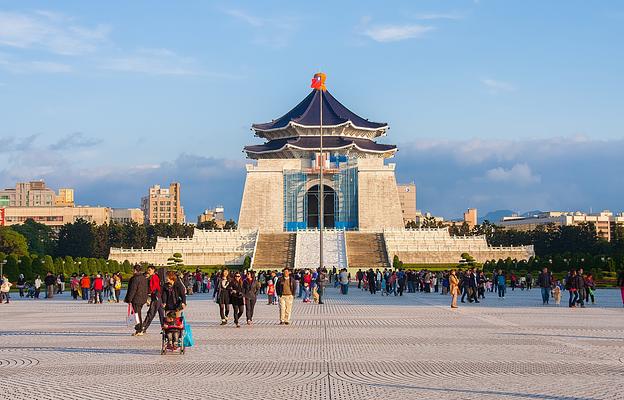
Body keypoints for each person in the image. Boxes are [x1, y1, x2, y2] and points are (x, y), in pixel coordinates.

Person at [124, 265, 149, 336]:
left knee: (137, 314)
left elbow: (133, 290)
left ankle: (139, 329)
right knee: (138, 313)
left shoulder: (135, 278)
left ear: (135, 270)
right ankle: (139, 329)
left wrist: (129, 299)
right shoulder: (144, 278)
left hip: (136, 299)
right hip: (142, 298)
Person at [142, 265, 164, 334]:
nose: (148, 271)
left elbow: (153, 288)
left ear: (153, 270)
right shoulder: (155, 276)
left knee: (151, 313)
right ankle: (164, 328)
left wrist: (148, 294)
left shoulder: (154, 277)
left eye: (149, 270)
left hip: (155, 296)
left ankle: (143, 327)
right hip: (158, 296)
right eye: (148, 270)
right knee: (161, 314)